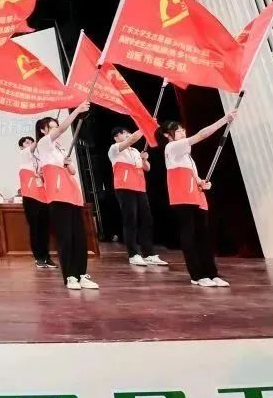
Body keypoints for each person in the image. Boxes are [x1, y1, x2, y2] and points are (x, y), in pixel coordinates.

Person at [157, 110, 237, 288]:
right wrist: (224, 120)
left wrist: (202, 183)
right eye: (177, 131)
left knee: (203, 236)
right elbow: (201, 135)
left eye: (182, 129)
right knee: (190, 236)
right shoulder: (172, 148)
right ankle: (197, 275)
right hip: (182, 197)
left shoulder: (187, 156)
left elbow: (195, 177)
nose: (182, 132)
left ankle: (212, 273)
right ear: (167, 135)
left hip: (196, 196)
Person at [35, 101, 98, 290]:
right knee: (65, 238)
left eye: (56, 126)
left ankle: (82, 274)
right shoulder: (44, 144)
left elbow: (72, 172)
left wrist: (68, 163)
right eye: (52, 127)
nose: (57, 130)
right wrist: (77, 110)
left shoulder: (61, 149)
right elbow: (63, 128)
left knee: (79, 238)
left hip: (73, 196)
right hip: (58, 197)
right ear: (43, 131)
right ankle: (70, 276)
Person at [108, 127, 167, 267]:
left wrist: (144, 159)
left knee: (146, 220)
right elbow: (132, 139)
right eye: (124, 133)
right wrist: (145, 127)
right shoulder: (115, 149)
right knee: (131, 221)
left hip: (140, 188)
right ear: (116, 137)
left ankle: (149, 254)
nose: (128, 135)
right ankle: (133, 254)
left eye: (128, 133)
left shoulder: (135, 151)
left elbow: (147, 168)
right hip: (124, 187)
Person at [17, 136, 56, 269]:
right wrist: (43, 136)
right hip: (30, 197)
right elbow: (35, 146)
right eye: (27, 142)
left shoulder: (38, 159)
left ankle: (47, 257)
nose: (30, 144)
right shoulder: (23, 155)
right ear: (21, 147)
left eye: (31, 142)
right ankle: (38, 257)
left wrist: (42, 175)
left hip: (43, 197)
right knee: (35, 228)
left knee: (45, 228)